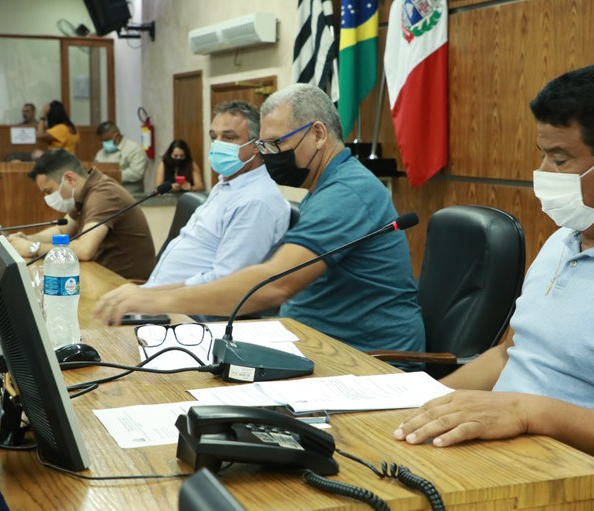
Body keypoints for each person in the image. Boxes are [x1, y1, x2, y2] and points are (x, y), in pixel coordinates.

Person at [394, 64, 594, 499]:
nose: (543, 172)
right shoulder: (565, 239)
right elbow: (509, 355)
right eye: (543, 155)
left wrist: (530, 412)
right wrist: (417, 407)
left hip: (589, 496)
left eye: (559, 159)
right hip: (503, 470)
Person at [94, 84, 425, 359]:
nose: (268, 155)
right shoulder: (324, 188)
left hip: (365, 360)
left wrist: (154, 300)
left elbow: (276, 283)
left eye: (277, 144)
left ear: (318, 134)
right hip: (312, 344)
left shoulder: (347, 193)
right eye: (264, 145)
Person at [144, 100, 289, 288]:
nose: (217, 144)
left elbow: (225, 282)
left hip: (184, 303)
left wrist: (151, 295)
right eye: (214, 137)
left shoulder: (257, 201)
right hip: (159, 295)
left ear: (256, 145)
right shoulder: (227, 184)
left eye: (228, 138)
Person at [8, 149, 156, 281]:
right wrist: (27, 239)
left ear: (70, 179)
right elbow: (62, 230)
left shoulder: (103, 194)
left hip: (128, 284)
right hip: (103, 277)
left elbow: (85, 250)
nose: (47, 198)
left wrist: (33, 248)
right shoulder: (84, 193)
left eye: (49, 191)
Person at [94, 121, 148, 195]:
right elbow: (96, 171)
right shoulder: (101, 153)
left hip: (130, 195)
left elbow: (137, 173)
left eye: (107, 140)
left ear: (116, 135)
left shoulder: (134, 149)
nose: (104, 143)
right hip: (106, 194)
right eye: (102, 141)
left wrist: (112, 175)